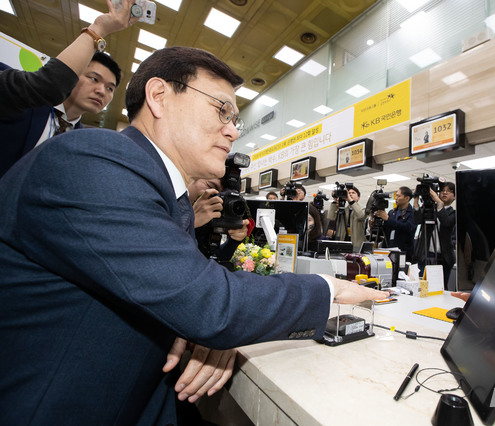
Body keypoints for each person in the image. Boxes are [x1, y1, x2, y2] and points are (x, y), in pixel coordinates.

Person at [0, 46, 388, 425]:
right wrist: (327, 288)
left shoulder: (162, 191)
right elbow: (209, 304)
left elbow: (181, 294)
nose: (234, 130)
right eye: (222, 109)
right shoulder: (95, 159)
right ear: (158, 96)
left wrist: (196, 327)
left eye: (235, 117)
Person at [0, 0, 136, 177]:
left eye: (110, 88)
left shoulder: (82, 144)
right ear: (74, 73)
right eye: (94, 79)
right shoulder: (22, 102)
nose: (101, 91)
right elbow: (49, 85)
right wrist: (98, 29)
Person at [189, 178, 250, 262]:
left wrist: (233, 241)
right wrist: (191, 221)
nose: (217, 199)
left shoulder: (213, 216)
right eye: (210, 186)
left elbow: (213, 258)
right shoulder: (168, 205)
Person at [413, 182, 456, 285]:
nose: (444, 193)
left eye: (449, 191)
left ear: (454, 197)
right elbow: (417, 220)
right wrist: (415, 200)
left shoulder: (454, 213)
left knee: (441, 287)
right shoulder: (429, 210)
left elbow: (446, 222)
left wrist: (439, 203)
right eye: (442, 190)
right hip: (426, 255)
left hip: (444, 257)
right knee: (423, 286)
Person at [373, 186, 417, 258]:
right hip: (389, 250)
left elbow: (407, 228)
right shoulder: (391, 212)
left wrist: (388, 219)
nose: (396, 198)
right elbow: (385, 231)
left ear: (407, 198)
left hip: (404, 252)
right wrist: (376, 224)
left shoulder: (413, 213)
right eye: (396, 195)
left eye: (398, 196)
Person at [326, 185, 366, 251]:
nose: (350, 194)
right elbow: (331, 217)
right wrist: (335, 201)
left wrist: (350, 200)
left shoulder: (363, 209)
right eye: (349, 193)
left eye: (353, 193)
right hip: (343, 242)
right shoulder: (344, 210)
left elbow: (360, 215)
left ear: (358, 197)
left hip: (357, 244)